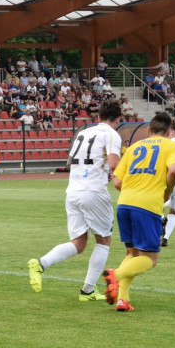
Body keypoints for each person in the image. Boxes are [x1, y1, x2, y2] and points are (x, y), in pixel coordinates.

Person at [27, 100, 123, 301]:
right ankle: (87, 291)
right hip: (93, 191)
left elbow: (71, 162)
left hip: (73, 190)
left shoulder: (83, 132)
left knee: (79, 243)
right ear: (118, 118)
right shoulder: (112, 134)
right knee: (104, 240)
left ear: (98, 116)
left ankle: (40, 263)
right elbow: (114, 163)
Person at [102, 113, 175, 311]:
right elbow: (173, 171)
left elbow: (118, 181)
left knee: (133, 253)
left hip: (124, 204)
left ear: (148, 130)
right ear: (169, 132)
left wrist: (133, 191)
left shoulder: (134, 148)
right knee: (149, 259)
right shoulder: (173, 146)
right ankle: (116, 275)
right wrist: (168, 191)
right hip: (147, 205)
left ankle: (123, 299)